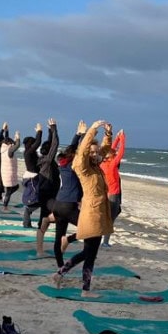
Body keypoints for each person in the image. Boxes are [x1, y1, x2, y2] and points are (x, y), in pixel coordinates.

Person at [52, 119, 113, 298]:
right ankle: (73, 282)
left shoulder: (95, 166)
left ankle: (62, 276)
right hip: (91, 214)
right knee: (89, 252)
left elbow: (104, 150)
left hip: (99, 214)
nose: (95, 155)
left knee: (90, 253)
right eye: (92, 152)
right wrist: (92, 130)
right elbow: (84, 151)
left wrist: (108, 134)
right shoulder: (83, 168)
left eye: (96, 152)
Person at [49, 121, 85, 269]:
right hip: (68, 205)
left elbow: (73, 148)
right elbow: (79, 151)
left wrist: (78, 135)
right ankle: (69, 239)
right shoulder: (73, 165)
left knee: (58, 238)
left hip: (59, 204)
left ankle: (59, 266)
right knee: (88, 229)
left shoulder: (63, 163)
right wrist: (83, 136)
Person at [33, 118, 60, 258]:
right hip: (48, 196)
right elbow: (55, 144)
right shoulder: (48, 161)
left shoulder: (44, 160)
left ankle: (39, 250)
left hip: (48, 194)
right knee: (48, 219)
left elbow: (51, 144)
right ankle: (39, 251)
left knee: (45, 221)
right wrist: (54, 128)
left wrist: (49, 131)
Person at [100, 125, 125, 247]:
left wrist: (117, 139)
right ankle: (105, 242)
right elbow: (120, 152)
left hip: (107, 193)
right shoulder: (112, 164)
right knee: (111, 219)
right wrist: (123, 138)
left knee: (114, 213)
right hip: (113, 195)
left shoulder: (103, 163)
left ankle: (102, 239)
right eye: (113, 154)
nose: (115, 155)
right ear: (111, 157)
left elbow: (113, 150)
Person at [20, 123, 43, 228]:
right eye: (33, 144)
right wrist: (39, 131)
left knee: (36, 199)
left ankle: (27, 223)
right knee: (35, 200)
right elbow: (38, 142)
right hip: (33, 177)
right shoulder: (29, 152)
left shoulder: (29, 153)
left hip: (33, 176)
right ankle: (26, 223)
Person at [0, 131, 21, 213]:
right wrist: (18, 137)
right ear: (9, 143)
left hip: (6, 173)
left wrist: (14, 138)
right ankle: (5, 207)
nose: (12, 144)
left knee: (15, 187)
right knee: (9, 191)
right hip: (9, 174)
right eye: (11, 143)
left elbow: (14, 145)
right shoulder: (9, 151)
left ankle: (5, 200)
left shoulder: (4, 149)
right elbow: (17, 145)